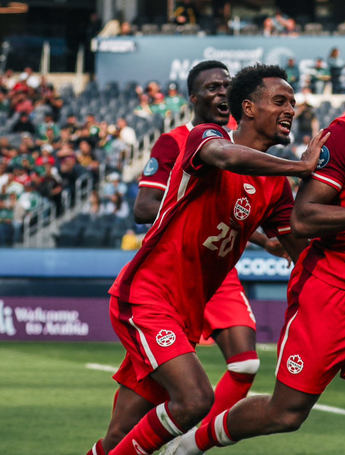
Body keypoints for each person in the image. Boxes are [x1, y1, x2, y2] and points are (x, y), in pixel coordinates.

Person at [169, 39, 345, 455]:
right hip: (331, 290)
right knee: (287, 413)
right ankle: (190, 444)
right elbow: (303, 219)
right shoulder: (344, 136)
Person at [87, 65, 327, 455]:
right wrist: (301, 167)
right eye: (281, 101)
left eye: (293, 104)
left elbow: (301, 248)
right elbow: (228, 158)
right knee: (195, 399)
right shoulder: (206, 137)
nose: (291, 111)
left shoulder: (276, 186)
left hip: (184, 313)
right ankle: (185, 448)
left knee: (119, 436)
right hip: (147, 297)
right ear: (248, 108)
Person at [129, 61, 292, 450]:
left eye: (227, 86)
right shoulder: (184, 140)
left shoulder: (266, 169)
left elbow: (286, 231)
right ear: (195, 99)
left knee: (245, 363)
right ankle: (175, 433)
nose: (221, 93)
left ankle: (187, 442)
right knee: (172, 402)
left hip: (216, 273)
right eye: (213, 87)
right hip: (167, 273)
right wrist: (179, 200)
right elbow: (143, 209)